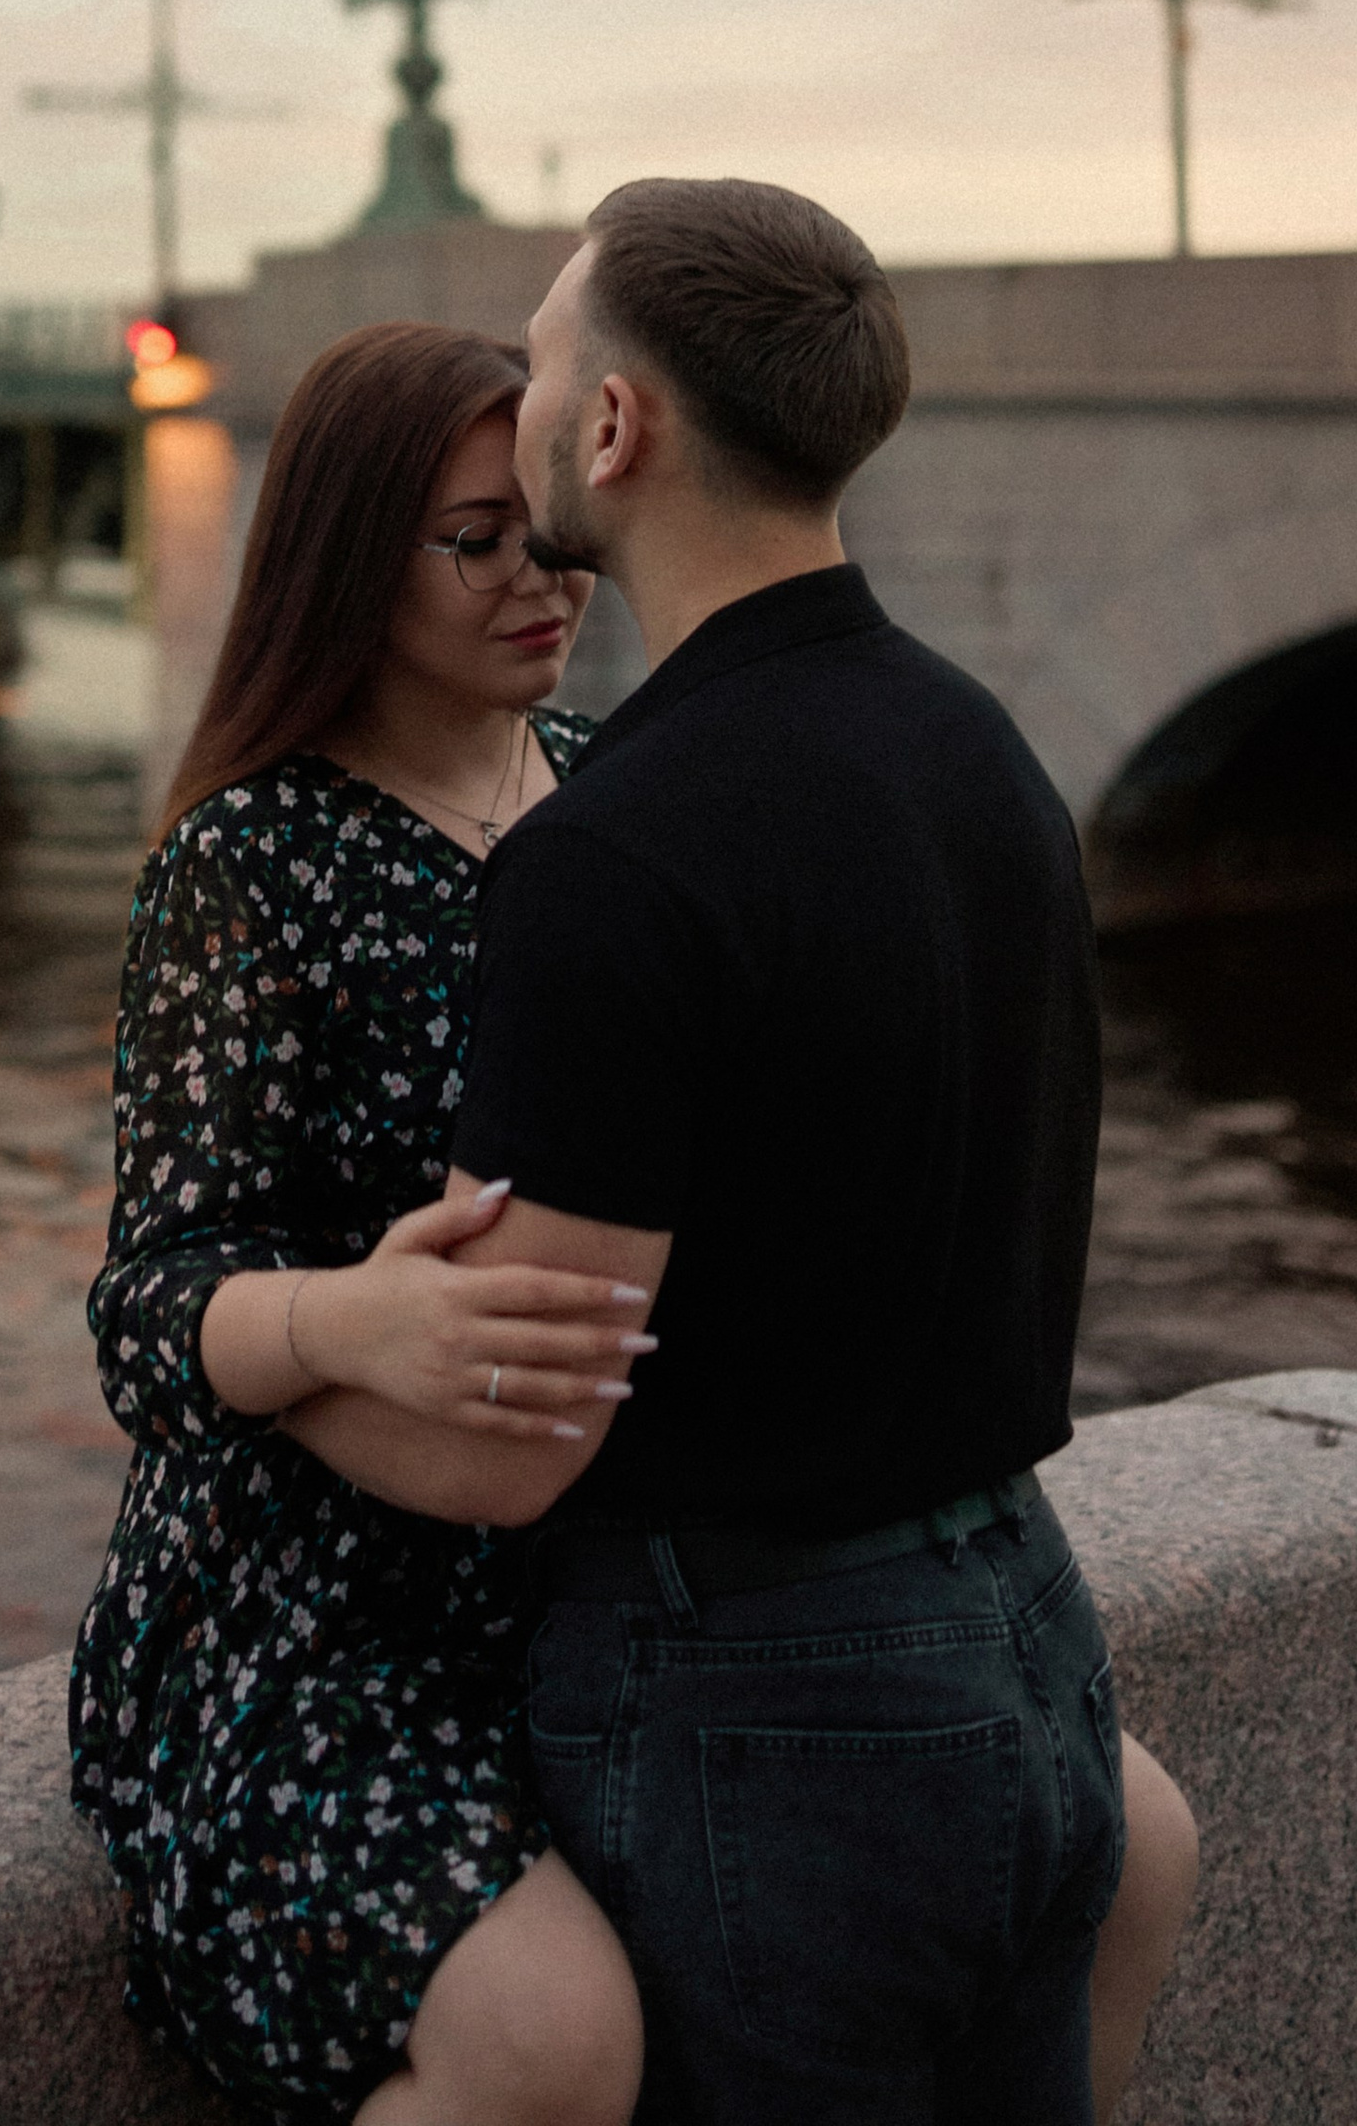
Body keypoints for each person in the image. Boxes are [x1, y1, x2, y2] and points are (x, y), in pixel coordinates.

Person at [71, 312, 1194, 2126]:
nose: (540, 577)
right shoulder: (248, 862)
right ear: (353, 559)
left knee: (1120, 1839)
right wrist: (345, 1319)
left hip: (611, 1579)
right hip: (316, 1624)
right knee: (552, 2044)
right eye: (472, 541)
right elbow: (145, 1301)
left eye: (538, 524)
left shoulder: (620, 785)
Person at [414, 176, 1175, 2117]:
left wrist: (271, 1333)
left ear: (611, 428)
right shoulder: (978, 754)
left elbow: (516, 1441)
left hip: (769, 1693)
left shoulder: (614, 854)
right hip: (1022, 1633)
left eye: (542, 358)